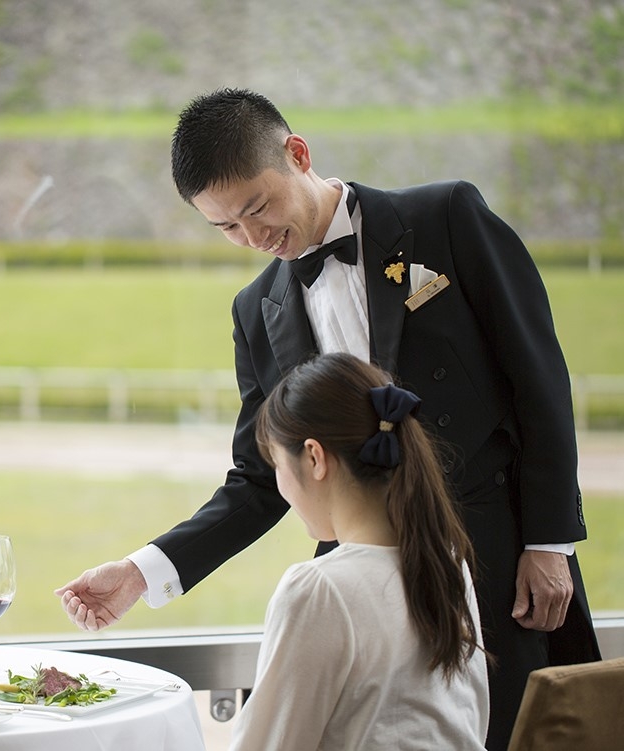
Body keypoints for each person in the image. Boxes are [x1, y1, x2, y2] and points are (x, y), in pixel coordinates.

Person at [55, 88, 600, 750]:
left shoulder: (445, 217)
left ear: (297, 154)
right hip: (357, 589)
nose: (253, 238)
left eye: (257, 208)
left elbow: (537, 378)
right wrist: (142, 571)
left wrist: (547, 543)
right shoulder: (255, 311)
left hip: (492, 557)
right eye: (225, 227)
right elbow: (259, 479)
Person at [232, 352, 489, 749]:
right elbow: (473, 723)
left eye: (278, 465)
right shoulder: (447, 557)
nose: (281, 485)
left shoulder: (320, 589)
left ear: (315, 458)